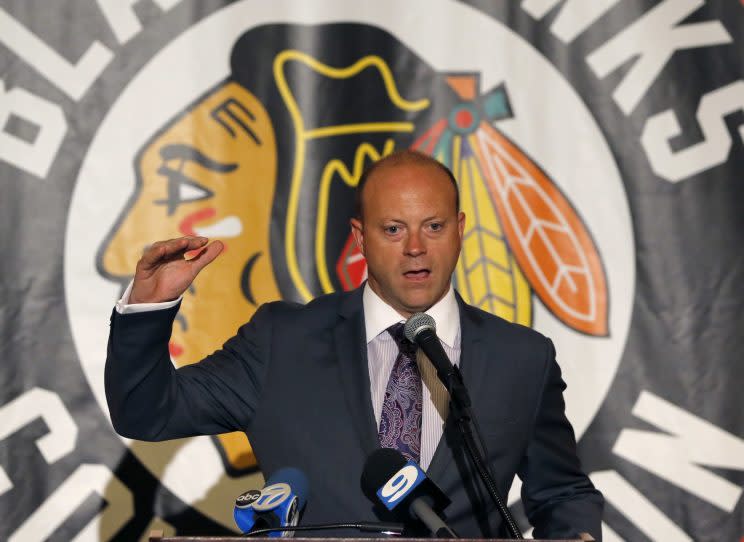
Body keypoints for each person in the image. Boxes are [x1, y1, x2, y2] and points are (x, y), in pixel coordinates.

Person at [105, 150, 603, 539]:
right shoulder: (283, 342)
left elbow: (561, 491)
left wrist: (575, 535)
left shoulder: (522, 359)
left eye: (433, 226)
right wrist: (148, 311)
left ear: (460, 230)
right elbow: (146, 413)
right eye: (393, 229)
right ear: (360, 238)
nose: (415, 247)